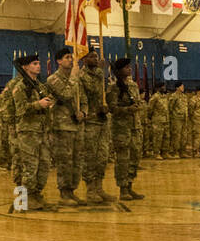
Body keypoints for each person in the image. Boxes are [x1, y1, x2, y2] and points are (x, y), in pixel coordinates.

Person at [11, 53, 56, 212]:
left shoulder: (40, 86)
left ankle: (36, 196)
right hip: (28, 132)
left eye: (38, 63)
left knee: (43, 166)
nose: (38, 66)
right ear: (25, 67)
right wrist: (39, 104)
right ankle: (22, 201)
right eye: (34, 63)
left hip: (42, 131)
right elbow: (21, 110)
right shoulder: (21, 87)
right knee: (29, 167)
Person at [46, 45, 86, 205]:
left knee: (77, 160)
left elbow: (83, 99)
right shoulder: (53, 79)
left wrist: (83, 111)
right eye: (67, 58)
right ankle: (64, 193)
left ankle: (72, 190)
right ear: (59, 61)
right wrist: (74, 78)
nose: (71, 60)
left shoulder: (75, 79)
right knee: (65, 160)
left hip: (77, 125)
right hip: (62, 126)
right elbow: (65, 94)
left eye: (71, 57)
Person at [106, 57, 144, 201]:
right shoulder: (114, 87)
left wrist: (136, 107)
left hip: (134, 126)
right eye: (126, 67)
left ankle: (130, 185)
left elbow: (138, 103)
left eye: (130, 66)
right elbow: (112, 108)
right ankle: (123, 189)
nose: (129, 69)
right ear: (119, 70)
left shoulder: (133, 86)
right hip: (121, 128)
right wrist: (127, 109)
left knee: (134, 157)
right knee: (123, 159)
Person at [79, 51, 114, 204]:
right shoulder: (82, 76)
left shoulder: (99, 74)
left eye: (96, 56)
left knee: (102, 157)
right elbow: (92, 90)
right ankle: (91, 190)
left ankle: (99, 188)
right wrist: (100, 72)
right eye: (92, 57)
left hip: (102, 121)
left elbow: (102, 94)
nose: (96, 59)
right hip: (90, 121)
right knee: (90, 157)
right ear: (84, 59)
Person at [147, 85, 168, 159]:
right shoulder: (155, 97)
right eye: (162, 87)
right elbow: (150, 108)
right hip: (157, 120)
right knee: (157, 137)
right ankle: (156, 153)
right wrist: (151, 117)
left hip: (165, 120)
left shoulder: (165, 96)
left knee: (166, 137)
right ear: (158, 88)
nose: (164, 88)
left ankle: (164, 152)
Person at [168, 81, 187, 159]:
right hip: (176, 119)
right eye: (182, 86)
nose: (183, 88)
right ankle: (175, 152)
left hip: (184, 119)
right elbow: (170, 107)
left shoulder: (184, 96)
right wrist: (173, 116)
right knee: (176, 136)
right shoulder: (173, 96)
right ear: (177, 87)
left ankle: (182, 151)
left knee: (184, 136)